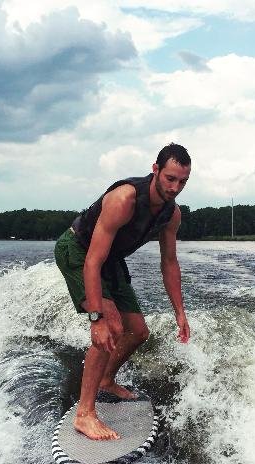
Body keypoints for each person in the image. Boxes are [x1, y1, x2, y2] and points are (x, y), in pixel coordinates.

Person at [54, 143, 191, 441]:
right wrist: (96, 319)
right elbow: (92, 260)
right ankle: (84, 414)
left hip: (109, 260)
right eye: (170, 178)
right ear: (155, 170)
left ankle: (105, 379)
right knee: (112, 326)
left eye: (182, 181)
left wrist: (179, 312)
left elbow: (169, 262)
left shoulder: (172, 214)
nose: (175, 187)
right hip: (78, 251)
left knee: (139, 331)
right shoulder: (124, 199)